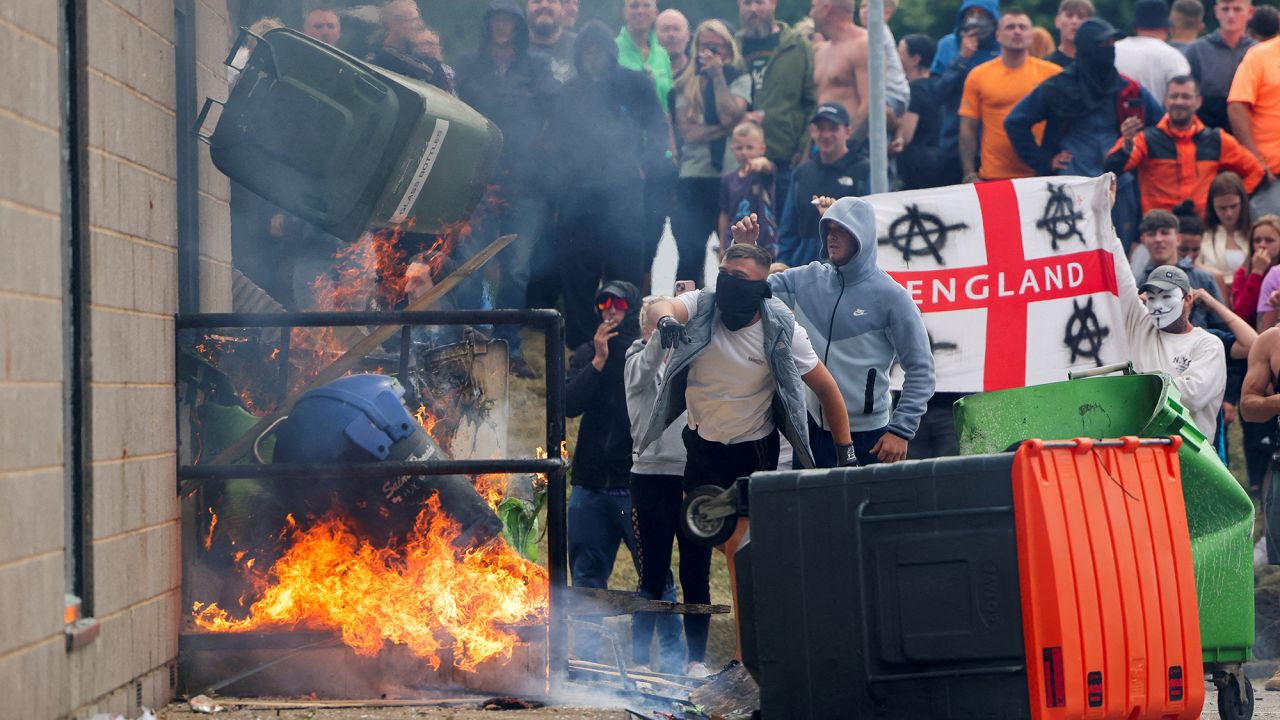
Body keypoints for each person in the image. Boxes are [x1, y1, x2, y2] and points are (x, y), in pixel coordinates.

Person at [638, 243, 855, 660]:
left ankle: (749, 657)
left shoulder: (781, 326)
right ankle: (696, 662)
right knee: (694, 553)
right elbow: (660, 305)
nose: (728, 285)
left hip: (753, 449)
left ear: (761, 288)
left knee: (745, 554)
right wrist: (665, 319)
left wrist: (845, 452)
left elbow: (827, 390)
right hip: (702, 447)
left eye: (740, 278)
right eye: (724, 273)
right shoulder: (702, 305)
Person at [737, 197, 934, 466]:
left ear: (861, 236)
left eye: (841, 230)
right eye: (827, 230)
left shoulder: (892, 297)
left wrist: (901, 431)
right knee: (808, 509)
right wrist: (745, 249)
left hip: (868, 436)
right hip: (810, 430)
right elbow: (748, 291)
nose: (831, 237)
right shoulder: (807, 278)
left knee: (860, 510)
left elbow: (922, 369)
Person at [565, 281, 681, 668]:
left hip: (633, 484)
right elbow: (567, 404)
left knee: (656, 575)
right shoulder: (588, 351)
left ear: (631, 309)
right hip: (589, 485)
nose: (609, 309)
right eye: (603, 302)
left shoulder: (640, 355)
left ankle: (671, 661)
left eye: (618, 303)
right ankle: (588, 662)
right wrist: (597, 361)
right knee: (586, 580)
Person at [548, 22, 670, 349]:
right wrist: (560, 186)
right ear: (578, 55)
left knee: (626, 273)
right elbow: (552, 146)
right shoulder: (568, 93)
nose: (593, 57)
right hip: (577, 200)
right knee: (577, 278)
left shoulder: (636, 83)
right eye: (586, 51)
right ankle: (580, 348)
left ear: (611, 53)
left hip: (624, 196)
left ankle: (626, 346)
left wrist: (648, 162)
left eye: (599, 50)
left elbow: (658, 128)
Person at [454, 0, 559, 378]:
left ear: (518, 24)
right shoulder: (468, 63)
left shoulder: (537, 66)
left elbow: (554, 109)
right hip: (478, 179)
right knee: (471, 264)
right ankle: (467, 345)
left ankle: (509, 349)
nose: (502, 26)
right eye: (496, 19)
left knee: (517, 270)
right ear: (488, 23)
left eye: (508, 19)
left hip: (526, 181)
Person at [1005, 17, 1162, 250]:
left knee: (1119, 251)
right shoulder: (1059, 87)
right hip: (1072, 182)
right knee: (1074, 250)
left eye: (1112, 44)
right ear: (1087, 47)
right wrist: (1045, 160)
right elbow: (1015, 121)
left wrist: (1136, 142)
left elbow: (1161, 125)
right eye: (1102, 44)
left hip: (1119, 184)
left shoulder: (1128, 89)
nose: (1108, 50)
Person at [625, 297, 697, 675]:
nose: (664, 329)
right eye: (655, 323)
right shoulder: (635, 360)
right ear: (645, 328)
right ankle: (640, 661)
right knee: (652, 573)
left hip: (690, 476)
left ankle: (694, 661)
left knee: (694, 574)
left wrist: (686, 321)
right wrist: (662, 332)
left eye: (668, 322)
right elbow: (649, 364)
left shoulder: (690, 360)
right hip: (650, 475)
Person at [1104, 76, 1263, 217]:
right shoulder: (1146, 140)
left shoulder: (1217, 140)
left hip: (1203, 231)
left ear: (1198, 101)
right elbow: (1112, 168)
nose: (1179, 102)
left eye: (1186, 96)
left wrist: (1228, 204)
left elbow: (1256, 172)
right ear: (1166, 101)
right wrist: (1127, 145)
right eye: (1174, 96)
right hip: (1159, 231)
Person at [671, 21, 751, 288]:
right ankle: (681, 319)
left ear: (727, 49)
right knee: (689, 256)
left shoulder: (738, 77)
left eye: (715, 48)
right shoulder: (683, 83)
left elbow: (728, 112)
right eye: (704, 47)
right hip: (693, 178)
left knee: (735, 255)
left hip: (729, 177)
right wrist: (729, 126)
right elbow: (690, 134)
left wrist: (718, 77)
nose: (709, 53)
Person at [736, 0, 817, 230]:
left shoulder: (797, 45)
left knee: (782, 232)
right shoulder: (733, 47)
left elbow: (811, 101)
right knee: (741, 237)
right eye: (747, 3)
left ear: (773, 4)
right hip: (739, 158)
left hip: (783, 154)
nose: (753, 9)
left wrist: (803, 147)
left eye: (759, 2)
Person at [958, 9, 1063, 182]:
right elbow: (968, 128)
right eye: (1010, 27)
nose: (1017, 31)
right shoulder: (978, 75)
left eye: (1023, 27)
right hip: (993, 176)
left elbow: (1069, 122)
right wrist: (969, 173)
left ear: (1031, 35)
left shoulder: (1053, 74)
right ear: (997, 35)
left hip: (1041, 175)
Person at [776, 102, 866, 266]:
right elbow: (788, 229)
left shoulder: (864, 170)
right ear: (812, 131)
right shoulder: (802, 172)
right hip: (803, 269)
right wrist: (784, 265)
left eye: (833, 128)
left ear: (847, 131)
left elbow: (871, 226)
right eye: (820, 128)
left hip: (847, 272)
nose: (826, 135)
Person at [930, 0, 1001, 184]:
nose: (975, 20)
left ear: (993, 19)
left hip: (994, 146)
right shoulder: (947, 45)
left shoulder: (1002, 48)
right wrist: (961, 59)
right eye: (970, 14)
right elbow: (937, 94)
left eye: (981, 15)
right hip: (953, 142)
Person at [1234, 216, 1280, 496]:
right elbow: (1249, 407)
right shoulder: (1264, 274)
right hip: (1254, 353)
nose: (1262, 246)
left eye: (1269, 240)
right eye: (1257, 241)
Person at [1134, 209, 1230, 331]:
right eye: (1151, 234)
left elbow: (1222, 327)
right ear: (1143, 241)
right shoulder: (1137, 284)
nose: (1158, 239)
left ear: (1178, 238)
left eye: (1165, 232)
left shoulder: (1203, 278)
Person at [1227, 29, 1280, 216]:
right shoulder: (1260, 55)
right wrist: (1255, 160)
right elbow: (1237, 106)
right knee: (1268, 238)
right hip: (1272, 175)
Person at [1188, 0, 1256, 129]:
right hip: (1206, 133)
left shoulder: (1258, 52)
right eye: (1225, 9)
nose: (1230, 15)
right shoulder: (1197, 50)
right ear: (1216, 12)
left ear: (1250, 12)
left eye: (1237, 9)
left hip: (1249, 130)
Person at [893, 34, 945, 190]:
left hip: (917, 167)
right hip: (939, 161)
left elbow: (906, 136)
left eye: (900, 52)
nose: (895, 57)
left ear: (915, 59)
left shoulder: (915, 90)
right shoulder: (938, 85)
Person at [719, 122, 778, 258]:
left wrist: (761, 162)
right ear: (732, 149)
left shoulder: (764, 173)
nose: (744, 152)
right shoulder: (727, 179)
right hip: (735, 241)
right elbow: (724, 213)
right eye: (739, 148)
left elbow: (767, 166)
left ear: (762, 149)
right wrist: (722, 245)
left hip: (764, 241)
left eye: (750, 147)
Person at [1115, 0, 1192, 104]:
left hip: (1115, 118)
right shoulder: (1174, 57)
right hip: (1160, 118)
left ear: (1135, 28)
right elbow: (1184, 98)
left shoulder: (1113, 50)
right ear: (1167, 28)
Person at [811, 0, 871, 133]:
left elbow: (870, 104)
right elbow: (817, 105)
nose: (811, 14)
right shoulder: (821, 51)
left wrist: (848, 144)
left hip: (852, 144)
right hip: (823, 144)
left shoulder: (863, 45)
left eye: (813, 7)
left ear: (826, 9)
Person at [858, 0, 911, 122]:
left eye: (869, 7)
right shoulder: (870, 33)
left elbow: (880, 71)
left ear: (886, 13)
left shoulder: (878, 32)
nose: (864, 11)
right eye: (862, 7)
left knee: (869, 118)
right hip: (890, 94)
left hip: (893, 94)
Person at [616, 0, 673, 107]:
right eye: (634, 6)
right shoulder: (613, 51)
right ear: (624, 13)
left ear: (655, 13)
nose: (640, 11)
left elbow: (670, 99)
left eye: (646, 6)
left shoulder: (662, 55)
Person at [1201, 171, 1256, 281]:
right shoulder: (1202, 237)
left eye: (1233, 206)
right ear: (1212, 207)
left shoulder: (1257, 235)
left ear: (1243, 203)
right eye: (1222, 208)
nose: (1229, 213)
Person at [527, 0, 576, 83]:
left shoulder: (580, 48)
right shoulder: (511, 47)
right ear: (527, 9)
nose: (544, 5)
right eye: (537, 1)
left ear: (562, 9)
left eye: (551, 1)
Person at [1046, 0, 1094, 66]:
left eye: (1081, 17)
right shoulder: (1047, 65)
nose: (1074, 21)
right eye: (1069, 15)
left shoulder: (1097, 65)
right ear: (1057, 21)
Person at [656, 8, 691, 78]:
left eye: (676, 29)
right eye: (665, 29)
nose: (671, 34)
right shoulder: (645, 71)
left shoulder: (698, 72)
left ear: (688, 35)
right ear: (654, 36)